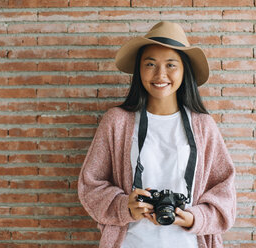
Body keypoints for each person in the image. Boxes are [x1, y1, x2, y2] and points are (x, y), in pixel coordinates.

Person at [78, 21, 236, 248]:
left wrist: (195, 218)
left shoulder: (203, 126)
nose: (160, 74)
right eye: (150, 64)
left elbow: (225, 190)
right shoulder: (117, 122)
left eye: (171, 65)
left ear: (184, 70)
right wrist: (125, 206)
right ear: (139, 69)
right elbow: (90, 184)